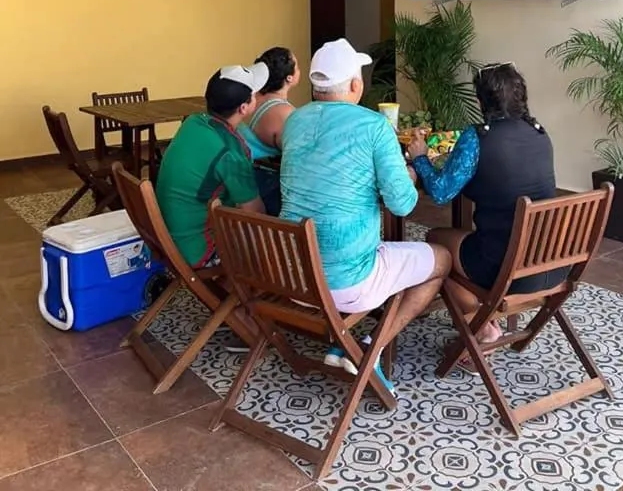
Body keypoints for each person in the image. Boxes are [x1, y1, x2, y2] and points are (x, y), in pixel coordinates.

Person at [280, 38, 452, 392]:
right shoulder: (374, 126)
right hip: (346, 283)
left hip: (292, 276)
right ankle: (369, 348)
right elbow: (403, 205)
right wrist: (409, 176)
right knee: (441, 259)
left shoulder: (294, 121)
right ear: (356, 85)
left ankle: (340, 340)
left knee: (363, 245)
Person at [407, 63, 566, 371]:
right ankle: (483, 316)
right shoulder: (540, 134)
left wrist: (421, 158)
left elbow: (441, 192)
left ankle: (482, 326)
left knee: (437, 244)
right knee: (464, 244)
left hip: (506, 265)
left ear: (482, 101)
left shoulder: (478, 138)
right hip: (553, 263)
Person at [156, 63, 270, 269]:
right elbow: (254, 212)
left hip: (166, 236)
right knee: (272, 213)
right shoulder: (230, 151)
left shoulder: (193, 122)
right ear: (244, 108)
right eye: (256, 94)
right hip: (196, 248)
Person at [238, 47, 300, 216]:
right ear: (289, 77)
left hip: (241, 176)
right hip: (260, 182)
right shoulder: (284, 114)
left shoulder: (251, 98)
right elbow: (297, 158)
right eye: (297, 67)